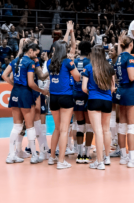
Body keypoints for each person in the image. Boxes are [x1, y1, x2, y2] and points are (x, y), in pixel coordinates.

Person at [2, 41, 47, 165]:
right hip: (26, 94)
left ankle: (11, 155)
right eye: (35, 54)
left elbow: (5, 75)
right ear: (30, 51)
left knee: (16, 126)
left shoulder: (15, 60)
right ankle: (34, 156)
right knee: (30, 126)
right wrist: (42, 91)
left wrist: (15, 85)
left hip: (15, 93)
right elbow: (31, 83)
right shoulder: (30, 63)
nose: (35, 57)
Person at [47, 22, 81, 169]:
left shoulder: (49, 62)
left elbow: (64, 45)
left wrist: (69, 32)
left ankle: (52, 157)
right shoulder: (68, 62)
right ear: (64, 50)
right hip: (65, 97)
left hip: (53, 98)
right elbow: (78, 77)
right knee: (64, 130)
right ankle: (61, 162)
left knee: (57, 128)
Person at [82, 45, 115, 170]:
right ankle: (107, 157)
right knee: (106, 130)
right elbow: (113, 88)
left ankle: (99, 162)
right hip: (107, 100)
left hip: (94, 100)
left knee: (98, 131)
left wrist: (92, 94)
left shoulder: (88, 67)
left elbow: (84, 88)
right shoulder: (109, 68)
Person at [116, 34, 134, 168]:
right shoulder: (129, 58)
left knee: (122, 125)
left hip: (121, 91)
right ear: (131, 45)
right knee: (132, 126)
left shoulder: (119, 58)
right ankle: (132, 159)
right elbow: (132, 77)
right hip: (130, 92)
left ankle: (123, 156)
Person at [73, 41, 92, 164]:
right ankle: (87, 153)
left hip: (76, 94)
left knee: (80, 125)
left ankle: (79, 154)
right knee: (89, 126)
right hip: (88, 94)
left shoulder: (73, 62)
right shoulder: (90, 63)